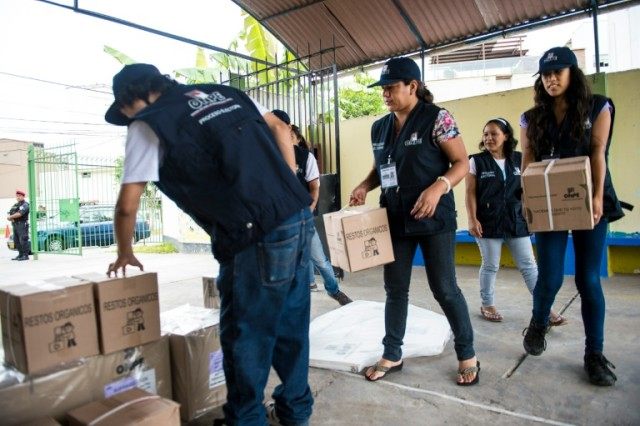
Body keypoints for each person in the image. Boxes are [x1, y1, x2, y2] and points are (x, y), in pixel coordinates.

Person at [104, 63, 315, 425]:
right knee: (292, 326)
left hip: (252, 231)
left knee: (246, 335)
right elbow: (280, 127)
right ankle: (296, 414)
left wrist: (125, 250)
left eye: (122, 113)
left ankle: (246, 419)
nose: (125, 120)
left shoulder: (148, 123)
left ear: (130, 98)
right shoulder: (226, 94)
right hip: (296, 215)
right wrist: (287, 189)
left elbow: (127, 205)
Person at [349, 57, 479, 386]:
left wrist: (439, 187)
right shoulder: (379, 127)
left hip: (434, 218)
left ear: (413, 86)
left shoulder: (438, 118)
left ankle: (467, 352)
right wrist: (366, 185)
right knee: (395, 288)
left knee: (445, 289)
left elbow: (462, 162)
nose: (385, 94)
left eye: (391, 88)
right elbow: (383, 167)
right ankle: (392, 353)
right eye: (383, 89)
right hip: (393, 217)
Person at [520, 46, 625, 386]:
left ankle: (594, 354)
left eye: (557, 73)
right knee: (549, 277)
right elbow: (529, 161)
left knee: (588, 280)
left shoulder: (597, 106)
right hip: (549, 203)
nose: (551, 79)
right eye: (546, 75)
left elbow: (598, 151)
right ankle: (538, 323)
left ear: (572, 73)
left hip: (590, 201)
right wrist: (526, 197)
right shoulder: (531, 118)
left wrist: (596, 197)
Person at [465, 118, 567, 326]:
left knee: (529, 265)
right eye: (485, 134)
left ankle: (544, 308)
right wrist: (472, 219)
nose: (488, 138)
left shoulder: (521, 159)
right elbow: (470, 193)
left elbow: (531, 190)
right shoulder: (475, 161)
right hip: (487, 221)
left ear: (506, 136)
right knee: (491, 265)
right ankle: (487, 304)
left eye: (494, 134)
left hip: (517, 221)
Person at [272, 109, 353, 306]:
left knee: (320, 261)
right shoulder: (264, 155)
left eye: (276, 128)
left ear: (288, 129)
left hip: (302, 218)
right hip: (277, 221)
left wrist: (311, 208)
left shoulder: (304, 157)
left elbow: (314, 187)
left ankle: (334, 290)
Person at [7, 189, 30, 261]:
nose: (18, 197)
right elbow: (10, 213)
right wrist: (10, 217)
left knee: (23, 240)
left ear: (23, 196)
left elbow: (20, 214)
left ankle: (25, 255)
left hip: (22, 224)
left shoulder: (25, 205)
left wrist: (11, 217)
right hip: (15, 224)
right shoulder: (15, 205)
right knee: (16, 240)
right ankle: (20, 254)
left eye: (19, 196)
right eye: (17, 196)